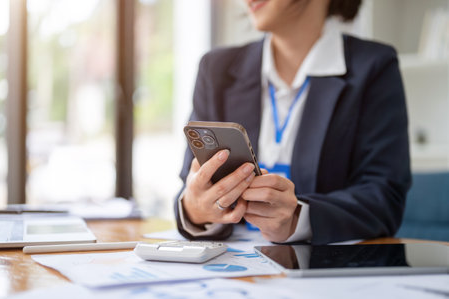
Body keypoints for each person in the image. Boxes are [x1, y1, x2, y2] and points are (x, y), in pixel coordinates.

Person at [174, 0, 411, 245]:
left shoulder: (374, 67)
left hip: (320, 272)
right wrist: (196, 211)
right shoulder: (216, 70)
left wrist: (299, 218)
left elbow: (384, 199)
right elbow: (189, 184)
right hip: (234, 271)